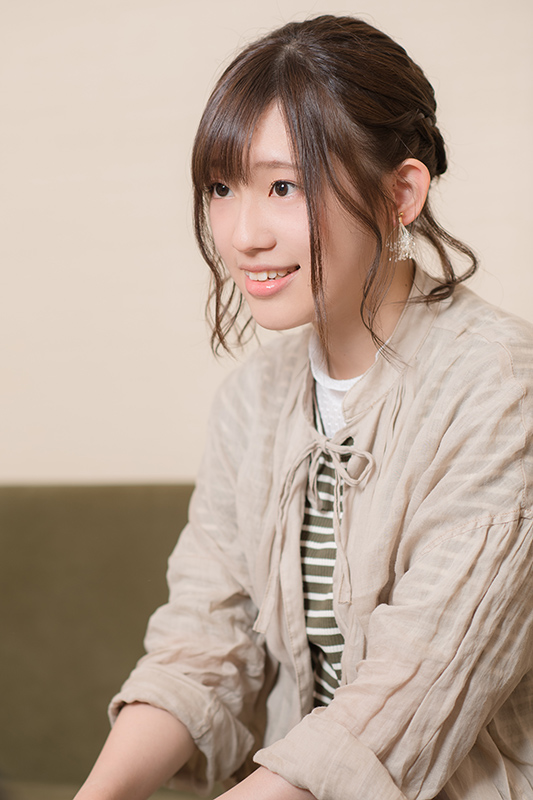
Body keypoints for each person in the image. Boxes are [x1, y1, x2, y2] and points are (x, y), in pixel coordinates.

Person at [75, 15, 533, 800]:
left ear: (400, 193)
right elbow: (203, 648)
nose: (242, 234)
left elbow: (404, 699)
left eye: (283, 187)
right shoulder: (252, 400)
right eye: (222, 188)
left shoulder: (501, 388)